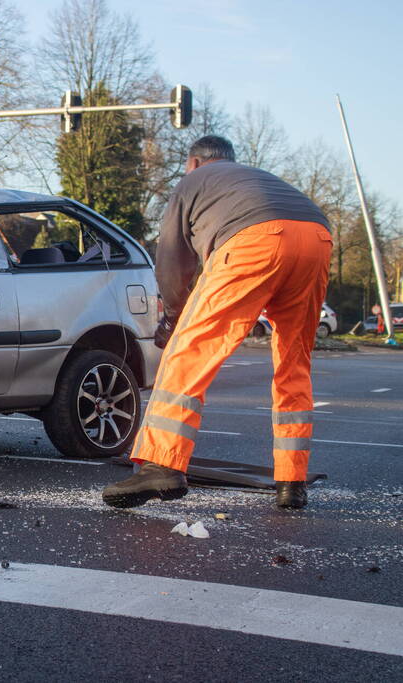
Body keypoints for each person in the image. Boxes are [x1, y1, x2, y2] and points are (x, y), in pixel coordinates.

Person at [102, 135, 332, 510]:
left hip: (254, 239)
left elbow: (173, 263)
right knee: (294, 362)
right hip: (317, 238)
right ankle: (291, 480)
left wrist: (173, 319)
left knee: (188, 353)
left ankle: (161, 464)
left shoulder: (193, 181)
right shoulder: (253, 179)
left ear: (193, 163)